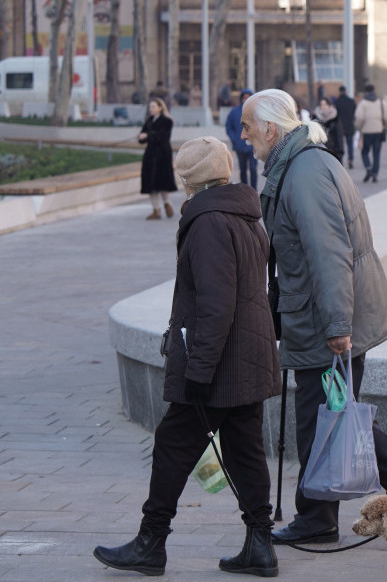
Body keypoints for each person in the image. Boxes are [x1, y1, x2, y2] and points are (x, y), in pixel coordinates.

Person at [238, 89, 387, 547]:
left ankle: (335, 510)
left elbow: (329, 255)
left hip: (325, 318)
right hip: (320, 313)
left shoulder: (304, 173)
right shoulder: (301, 163)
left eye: (247, 127)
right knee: (332, 412)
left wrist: (338, 326)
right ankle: (338, 508)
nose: (243, 136)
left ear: (270, 129)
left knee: (322, 416)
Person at [93, 137, 281, 578]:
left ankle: (150, 542)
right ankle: (260, 544)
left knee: (173, 445)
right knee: (245, 451)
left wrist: (198, 371)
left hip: (219, 366)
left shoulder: (209, 222)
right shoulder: (244, 215)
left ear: (189, 180)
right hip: (247, 357)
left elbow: (216, 305)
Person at [138, 98, 177, 219]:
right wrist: (141, 137)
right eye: (150, 107)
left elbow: (163, 136)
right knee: (151, 183)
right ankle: (156, 209)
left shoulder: (167, 121)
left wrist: (148, 135)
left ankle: (167, 203)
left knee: (162, 181)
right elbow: (143, 135)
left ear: (160, 107)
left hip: (162, 155)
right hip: (150, 155)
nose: (151, 109)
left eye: (153, 107)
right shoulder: (149, 120)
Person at [354, 84, 387, 183]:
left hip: (367, 132)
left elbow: (359, 117)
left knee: (364, 152)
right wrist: (383, 125)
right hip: (378, 131)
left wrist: (360, 127)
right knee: (376, 153)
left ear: (365, 92)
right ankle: (375, 174)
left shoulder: (363, 103)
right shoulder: (381, 102)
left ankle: (368, 168)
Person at [224, 89, 258, 190]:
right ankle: (245, 190)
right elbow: (228, 127)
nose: (246, 99)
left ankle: (254, 190)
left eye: (248, 97)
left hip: (253, 146)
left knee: (253, 168)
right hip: (240, 146)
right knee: (243, 169)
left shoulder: (256, 112)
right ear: (241, 99)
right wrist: (235, 139)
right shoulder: (234, 112)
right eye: (244, 98)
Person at [314, 96, 345, 163]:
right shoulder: (316, 119)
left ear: (329, 105)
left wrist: (340, 151)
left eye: (325, 104)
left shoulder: (335, 118)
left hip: (333, 150)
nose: (323, 106)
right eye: (322, 105)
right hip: (320, 151)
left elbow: (339, 135)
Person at [334, 86, 357, 169]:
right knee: (350, 144)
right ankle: (350, 159)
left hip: (340, 126)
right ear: (345, 91)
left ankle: (341, 160)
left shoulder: (337, 102)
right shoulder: (351, 101)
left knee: (340, 144)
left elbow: (335, 115)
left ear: (339, 91)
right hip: (350, 125)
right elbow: (354, 112)